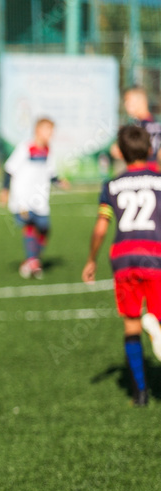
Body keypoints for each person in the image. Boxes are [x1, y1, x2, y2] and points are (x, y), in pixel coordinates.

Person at [82, 125, 161, 407]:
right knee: (158, 316)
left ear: (121, 153)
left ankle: (139, 393)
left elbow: (101, 228)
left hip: (123, 258)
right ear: (149, 149)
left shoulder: (111, 185)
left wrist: (91, 259)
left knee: (131, 325)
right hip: (154, 255)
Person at [0, 117, 70, 279]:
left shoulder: (47, 150)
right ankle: (33, 262)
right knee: (30, 225)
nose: (51, 134)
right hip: (23, 198)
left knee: (45, 228)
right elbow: (9, 169)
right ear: (37, 130)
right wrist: (4, 190)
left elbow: (50, 173)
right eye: (48, 130)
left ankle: (31, 260)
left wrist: (59, 181)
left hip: (40, 198)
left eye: (52, 131)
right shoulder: (25, 148)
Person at [110, 87, 161, 165]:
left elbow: (116, 151)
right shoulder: (156, 124)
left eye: (129, 101)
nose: (126, 104)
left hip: (143, 172)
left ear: (142, 102)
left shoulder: (139, 128)